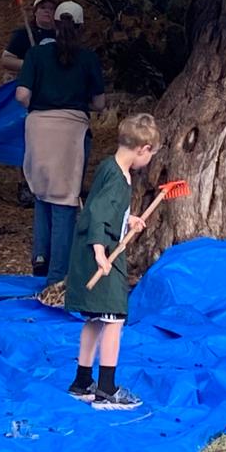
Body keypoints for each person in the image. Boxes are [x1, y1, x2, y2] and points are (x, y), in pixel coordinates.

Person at [64, 112, 159, 412]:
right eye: (151, 154)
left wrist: (127, 219)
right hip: (100, 254)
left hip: (95, 248)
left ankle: (82, 383)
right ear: (142, 149)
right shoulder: (119, 179)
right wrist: (100, 254)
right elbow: (96, 216)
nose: (150, 159)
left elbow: (104, 209)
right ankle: (106, 389)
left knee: (95, 318)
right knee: (114, 318)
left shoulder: (110, 166)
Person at [17, 0, 106, 283]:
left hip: (39, 128)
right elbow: (100, 102)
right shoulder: (89, 59)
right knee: (66, 198)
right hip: (71, 131)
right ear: (80, 27)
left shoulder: (35, 55)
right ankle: (58, 276)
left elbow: (21, 95)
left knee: (42, 192)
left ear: (54, 24)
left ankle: (40, 256)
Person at [4, 0, 58, 209]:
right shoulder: (23, 35)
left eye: (51, 8)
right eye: (43, 7)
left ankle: (51, 183)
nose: (47, 11)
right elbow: (6, 60)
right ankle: (26, 184)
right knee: (31, 142)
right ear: (35, 12)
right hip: (31, 96)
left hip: (55, 95)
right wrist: (30, 64)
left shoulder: (61, 34)